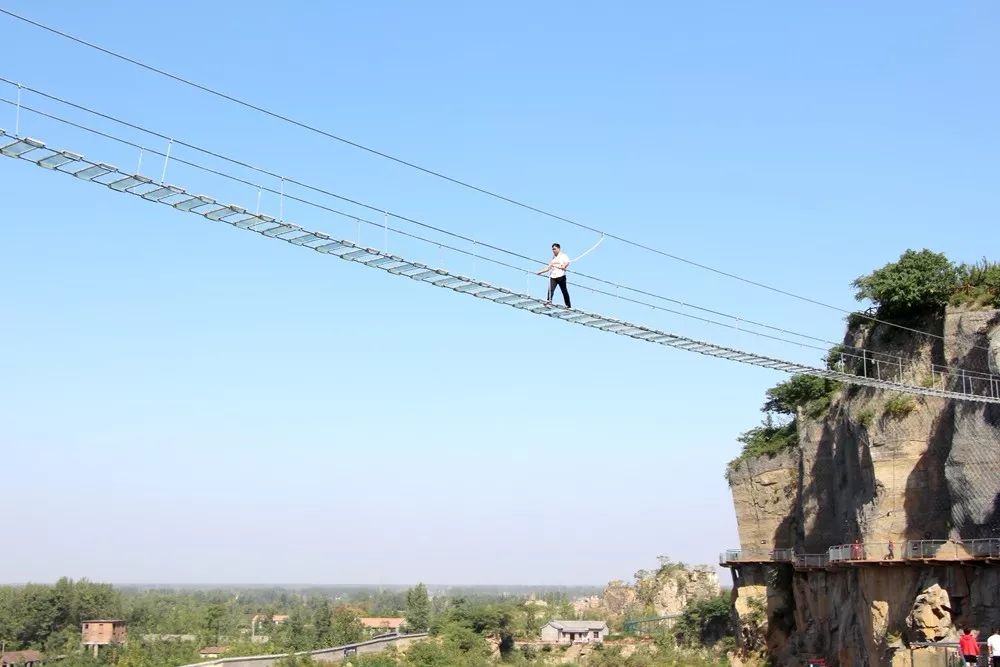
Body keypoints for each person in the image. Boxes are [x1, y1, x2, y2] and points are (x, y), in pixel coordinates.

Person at [538, 243, 571, 307]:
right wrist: (540, 272)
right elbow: (548, 268)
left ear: (558, 249)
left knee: (564, 291)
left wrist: (564, 266)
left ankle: (568, 305)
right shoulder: (553, 258)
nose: (553, 250)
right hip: (553, 276)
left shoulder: (563, 255)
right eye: (552, 249)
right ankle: (549, 302)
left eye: (554, 249)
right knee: (550, 290)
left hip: (561, 276)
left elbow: (567, 262)